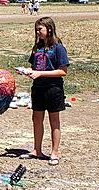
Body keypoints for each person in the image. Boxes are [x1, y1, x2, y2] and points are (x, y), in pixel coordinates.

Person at [17, 17, 69, 166]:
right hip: (38, 88)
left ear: (49, 29)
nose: (37, 32)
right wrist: (26, 71)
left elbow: (62, 71)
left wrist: (41, 74)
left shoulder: (58, 47)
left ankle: (54, 153)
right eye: (36, 29)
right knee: (36, 119)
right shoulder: (37, 48)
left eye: (40, 29)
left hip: (53, 88)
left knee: (54, 121)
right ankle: (36, 150)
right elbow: (35, 68)